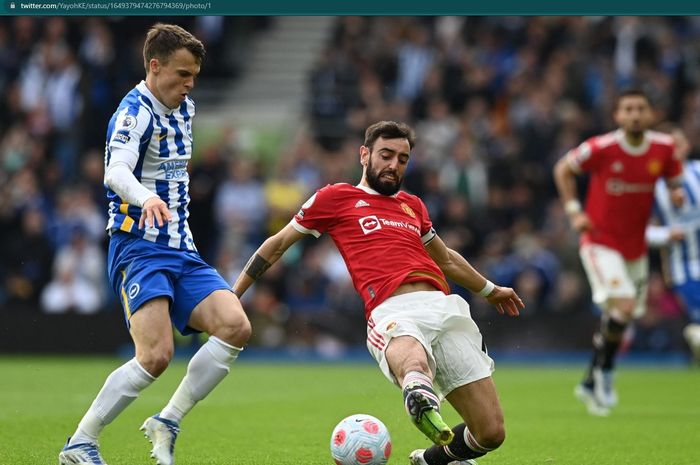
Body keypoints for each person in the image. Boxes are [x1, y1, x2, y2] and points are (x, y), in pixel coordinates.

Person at [233, 121, 524, 465]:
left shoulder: (412, 205)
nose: (394, 165)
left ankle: (429, 459)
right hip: (392, 309)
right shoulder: (336, 198)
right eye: (386, 155)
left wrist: (490, 289)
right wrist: (233, 294)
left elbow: (445, 258)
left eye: (403, 159)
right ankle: (417, 393)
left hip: (444, 307)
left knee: (491, 432)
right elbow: (276, 244)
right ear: (364, 154)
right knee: (413, 366)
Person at [58, 24, 251, 465]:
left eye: (195, 76)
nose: (190, 83)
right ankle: (80, 442)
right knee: (156, 355)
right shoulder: (133, 111)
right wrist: (146, 198)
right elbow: (116, 172)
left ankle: (168, 420)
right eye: (182, 73)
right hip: (139, 246)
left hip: (181, 248)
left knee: (235, 325)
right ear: (154, 65)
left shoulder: (185, 109)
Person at [553, 89, 684, 416]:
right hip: (600, 243)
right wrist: (574, 211)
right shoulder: (602, 148)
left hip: (635, 249)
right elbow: (562, 169)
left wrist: (677, 192)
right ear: (618, 116)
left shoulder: (664, 148)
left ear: (651, 114)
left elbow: (673, 178)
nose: (635, 114)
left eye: (641, 108)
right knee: (623, 307)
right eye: (628, 109)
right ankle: (607, 374)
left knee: (620, 317)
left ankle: (590, 379)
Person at [646, 125, 700, 365]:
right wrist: (666, 234)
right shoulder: (652, 186)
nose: (673, 150)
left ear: (686, 145)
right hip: (683, 265)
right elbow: (639, 232)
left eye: (677, 144)